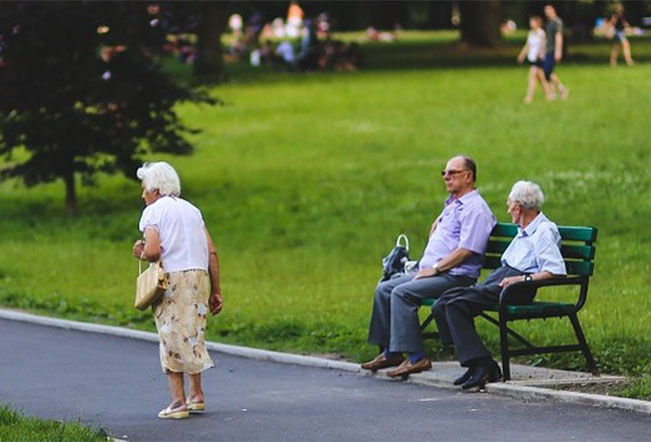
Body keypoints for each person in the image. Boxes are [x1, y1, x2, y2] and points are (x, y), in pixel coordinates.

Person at [361, 156, 496, 378]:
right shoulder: (453, 205)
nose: (446, 177)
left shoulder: (476, 209)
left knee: (402, 293)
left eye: (452, 173)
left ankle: (416, 357)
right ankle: (391, 351)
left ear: (468, 176)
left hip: (455, 276)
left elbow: (467, 250)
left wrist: (435, 268)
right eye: (444, 173)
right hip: (436, 271)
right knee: (384, 288)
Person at [432, 181, 566, 390]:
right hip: (503, 279)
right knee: (443, 302)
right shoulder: (524, 230)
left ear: (518, 207)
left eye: (509, 204)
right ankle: (475, 362)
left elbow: (556, 270)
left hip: (517, 286)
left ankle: (483, 365)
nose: (508, 209)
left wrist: (522, 279)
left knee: (457, 304)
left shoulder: (543, 231)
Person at [132, 162, 223, 419]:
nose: (142, 195)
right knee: (192, 334)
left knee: (170, 336)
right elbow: (212, 252)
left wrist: (140, 252)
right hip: (198, 277)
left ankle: (178, 402)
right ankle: (197, 396)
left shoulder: (152, 212)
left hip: (172, 280)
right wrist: (216, 290)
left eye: (144, 189)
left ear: (155, 189)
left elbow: (153, 251)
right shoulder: (192, 210)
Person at [517, 15, 552, 103]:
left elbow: (543, 45)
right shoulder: (531, 33)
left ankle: (529, 97)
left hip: (538, 58)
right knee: (541, 78)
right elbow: (528, 45)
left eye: (532, 22)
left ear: (538, 23)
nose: (530, 23)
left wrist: (539, 54)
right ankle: (548, 95)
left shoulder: (541, 33)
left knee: (531, 77)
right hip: (532, 58)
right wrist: (522, 55)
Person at [543, 4, 569, 100]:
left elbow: (559, 36)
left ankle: (561, 89)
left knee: (547, 72)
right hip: (547, 49)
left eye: (548, 10)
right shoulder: (549, 22)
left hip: (553, 50)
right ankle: (553, 92)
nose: (547, 12)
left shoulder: (557, 22)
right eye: (545, 10)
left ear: (553, 10)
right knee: (549, 72)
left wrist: (558, 51)